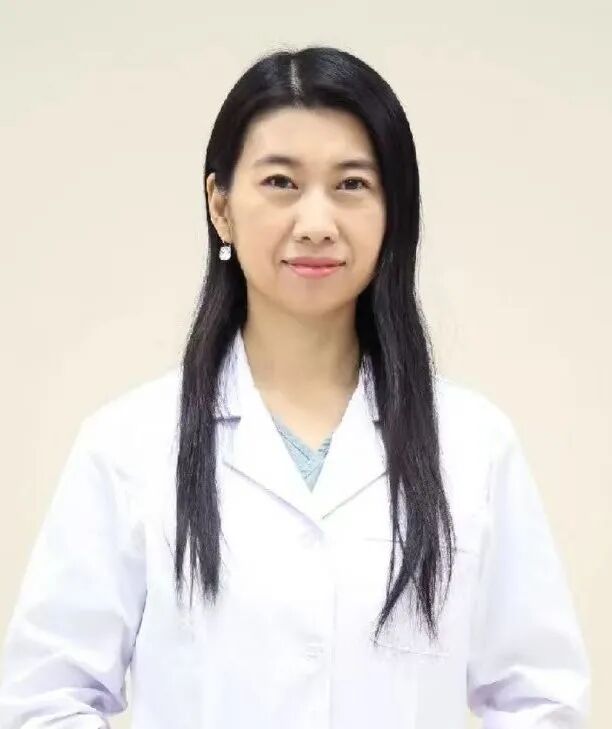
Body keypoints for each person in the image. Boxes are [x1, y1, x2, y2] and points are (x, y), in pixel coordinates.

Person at [0, 45, 590, 729]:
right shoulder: (127, 444)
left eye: (351, 184)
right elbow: (46, 698)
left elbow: (539, 701)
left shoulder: (473, 444)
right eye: (281, 182)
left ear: (393, 212)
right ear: (221, 206)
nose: (315, 224)